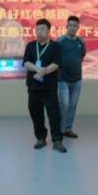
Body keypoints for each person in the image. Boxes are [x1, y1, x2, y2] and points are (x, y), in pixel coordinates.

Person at [23, 19, 66, 153]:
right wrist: (37, 68)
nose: (39, 32)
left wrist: (45, 71)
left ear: (48, 31)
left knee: (54, 115)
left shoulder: (55, 46)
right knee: (36, 115)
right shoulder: (30, 46)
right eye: (37, 29)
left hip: (49, 89)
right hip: (33, 87)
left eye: (42, 29)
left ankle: (57, 140)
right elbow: (26, 63)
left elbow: (56, 64)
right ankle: (41, 138)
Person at [56, 16, 86, 139]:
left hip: (77, 79)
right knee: (64, 105)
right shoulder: (60, 41)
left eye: (75, 26)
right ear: (66, 27)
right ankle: (59, 129)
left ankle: (68, 129)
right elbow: (55, 58)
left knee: (73, 106)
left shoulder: (81, 42)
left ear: (78, 27)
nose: (72, 28)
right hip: (62, 79)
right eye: (70, 25)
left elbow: (82, 55)